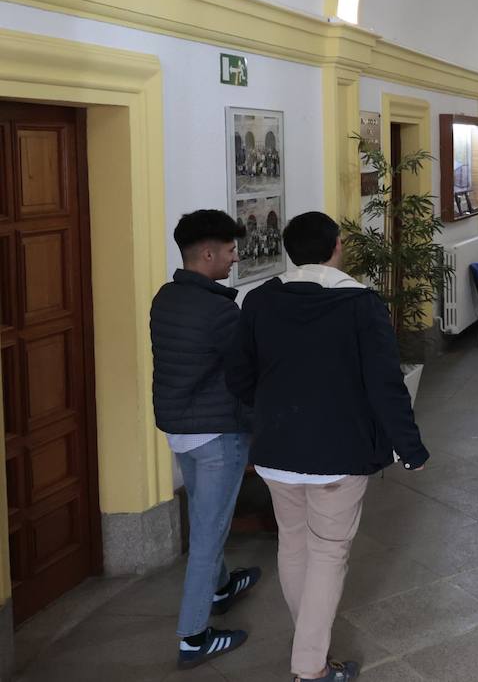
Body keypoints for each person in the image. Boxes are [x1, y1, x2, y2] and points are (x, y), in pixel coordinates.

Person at [229, 211, 429, 682]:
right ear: (338, 246)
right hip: (338, 451)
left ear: (288, 251)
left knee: (294, 545)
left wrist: (271, 407)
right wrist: (409, 446)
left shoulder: (259, 300)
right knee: (328, 553)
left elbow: (237, 374)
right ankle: (310, 668)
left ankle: (310, 644)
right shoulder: (361, 304)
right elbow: (384, 384)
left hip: (276, 449)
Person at [151, 210, 261, 670]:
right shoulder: (219, 310)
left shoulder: (166, 297)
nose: (235, 260)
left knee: (203, 514)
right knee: (210, 533)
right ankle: (193, 637)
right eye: (232, 252)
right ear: (209, 253)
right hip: (216, 435)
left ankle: (220, 589)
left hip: (181, 430)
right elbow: (244, 374)